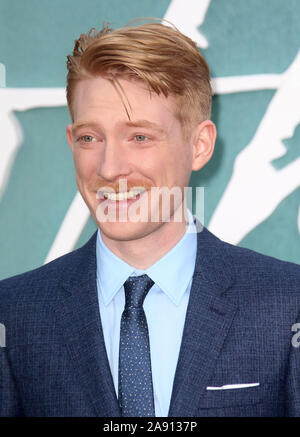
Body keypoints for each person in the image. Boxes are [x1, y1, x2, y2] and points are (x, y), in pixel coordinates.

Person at [1, 21, 300, 418]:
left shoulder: (287, 303)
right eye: (91, 138)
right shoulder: (15, 313)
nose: (109, 168)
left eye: (139, 137)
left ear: (200, 145)